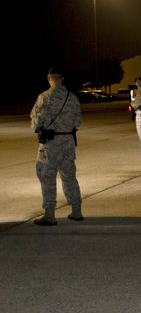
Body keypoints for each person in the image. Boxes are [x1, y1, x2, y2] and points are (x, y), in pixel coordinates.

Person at [29, 66, 83, 225]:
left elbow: (36, 123)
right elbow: (78, 122)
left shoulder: (44, 97)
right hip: (67, 142)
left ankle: (50, 215)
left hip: (50, 144)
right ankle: (76, 211)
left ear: (49, 78)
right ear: (62, 78)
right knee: (69, 176)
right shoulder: (72, 98)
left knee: (47, 178)